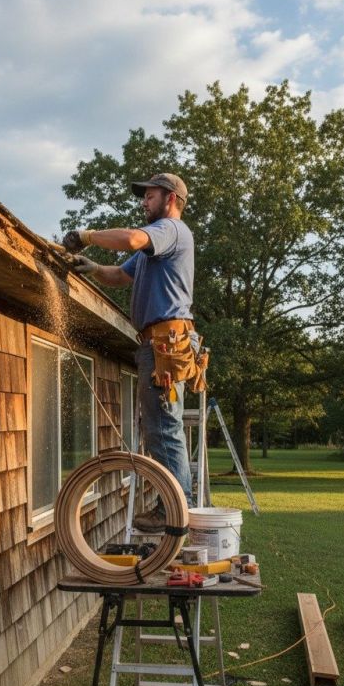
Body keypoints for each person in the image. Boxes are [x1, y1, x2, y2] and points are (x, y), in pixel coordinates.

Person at [62, 173, 202, 532]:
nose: (144, 203)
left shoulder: (169, 230)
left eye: (150, 196)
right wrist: (92, 269)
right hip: (156, 345)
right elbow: (120, 275)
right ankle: (175, 501)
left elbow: (132, 238)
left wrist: (87, 237)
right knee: (158, 426)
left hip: (165, 346)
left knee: (162, 426)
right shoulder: (151, 251)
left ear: (170, 199)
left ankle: (176, 504)